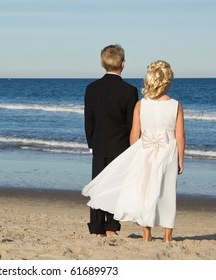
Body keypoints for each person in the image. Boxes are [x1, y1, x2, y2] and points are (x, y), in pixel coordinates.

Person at [82, 60, 186, 242]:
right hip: (168, 151)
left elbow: (134, 133)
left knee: (146, 191)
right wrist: (180, 159)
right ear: (168, 81)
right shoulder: (176, 105)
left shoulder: (141, 104)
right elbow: (180, 136)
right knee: (168, 191)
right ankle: (168, 235)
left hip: (145, 150)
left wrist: (133, 154)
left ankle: (147, 233)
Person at [84, 44, 138, 237]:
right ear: (122, 64)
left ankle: (97, 228)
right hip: (121, 146)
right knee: (116, 186)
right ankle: (111, 227)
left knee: (98, 185)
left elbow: (88, 119)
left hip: (99, 143)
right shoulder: (129, 91)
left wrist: (91, 142)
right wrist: (134, 147)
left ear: (102, 63)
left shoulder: (91, 89)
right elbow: (132, 123)